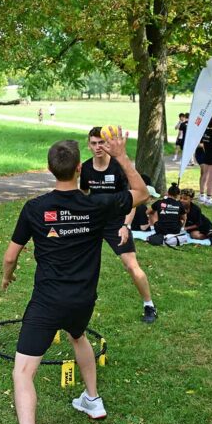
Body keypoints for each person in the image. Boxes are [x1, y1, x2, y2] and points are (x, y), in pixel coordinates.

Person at [0, 132, 149, 424]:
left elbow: (10, 256)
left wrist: (7, 275)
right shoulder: (96, 204)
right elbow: (141, 194)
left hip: (48, 301)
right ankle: (91, 400)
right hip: (82, 297)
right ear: (79, 168)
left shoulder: (35, 208)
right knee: (77, 335)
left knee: (22, 371)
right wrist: (122, 157)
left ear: (50, 169)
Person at [80, 127, 159, 323]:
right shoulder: (86, 168)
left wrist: (126, 226)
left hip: (117, 222)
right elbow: (83, 194)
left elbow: (133, 199)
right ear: (88, 145)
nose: (98, 147)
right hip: (94, 221)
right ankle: (79, 304)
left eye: (101, 143)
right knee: (82, 264)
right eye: (94, 143)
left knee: (131, 265)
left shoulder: (118, 167)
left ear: (107, 144)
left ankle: (149, 305)